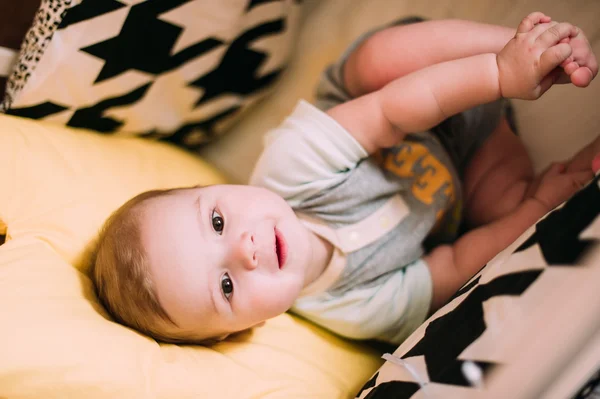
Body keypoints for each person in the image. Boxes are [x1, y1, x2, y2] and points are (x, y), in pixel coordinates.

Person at [92, 13, 599, 345]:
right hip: (469, 164)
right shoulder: (348, 310)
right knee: (506, 213)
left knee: (376, 61)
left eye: (218, 220)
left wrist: (496, 74)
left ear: (215, 191)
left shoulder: (289, 168)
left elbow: (389, 114)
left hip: (422, 89)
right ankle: (581, 177)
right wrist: (537, 210)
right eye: (225, 286)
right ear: (242, 330)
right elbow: (451, 265)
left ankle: (521, 47)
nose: (245, 250)